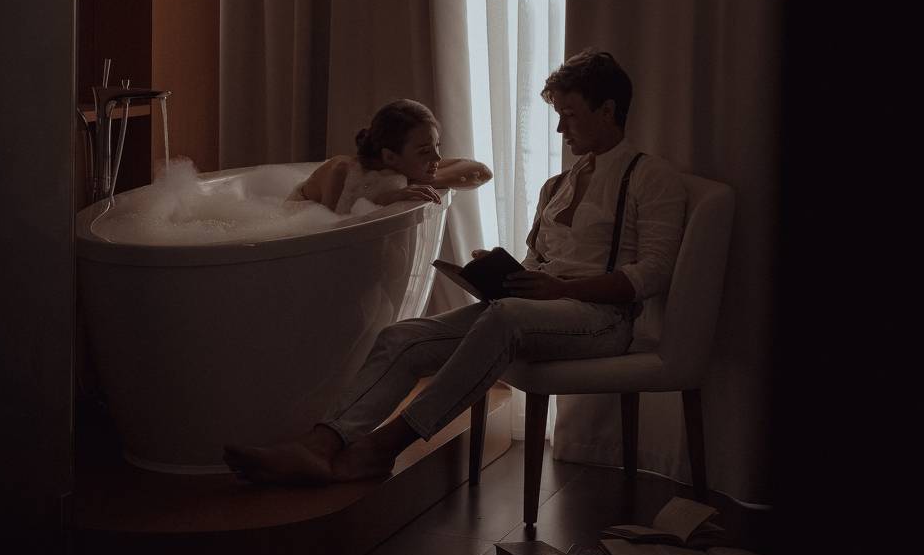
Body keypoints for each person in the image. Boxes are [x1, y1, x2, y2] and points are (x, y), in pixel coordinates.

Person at [224, 49, 686, 485]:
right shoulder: (557, 185)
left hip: (602, 321)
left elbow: (654, 273)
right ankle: (320, 445)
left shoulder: (650, 177)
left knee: (506, 317)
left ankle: (384, 446)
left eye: (570, 115)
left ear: (607, 110)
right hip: (536, 312)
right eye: (558, 115)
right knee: (403, 337)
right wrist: (504, 273)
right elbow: (537, 260)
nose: (561, 129)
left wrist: (558, 290)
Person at [288, 99, 493, 214]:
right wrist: (385, 198)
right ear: (390, 157)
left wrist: (421, 180)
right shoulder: (341, 170)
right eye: (424, 151)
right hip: (291, 221)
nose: (437, 158)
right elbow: (328, 235)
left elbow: (482, 172)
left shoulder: (406, 167)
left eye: (437, 146)